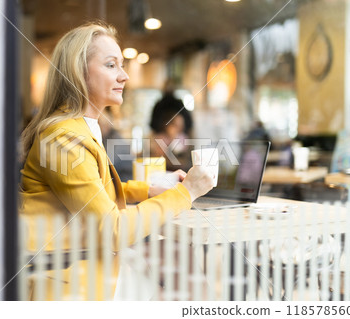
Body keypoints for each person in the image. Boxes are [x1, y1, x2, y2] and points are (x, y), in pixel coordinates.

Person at [18, 21, 215, 300]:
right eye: (111, 65)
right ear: (78, 72)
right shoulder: (63, 138)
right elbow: (113, 230)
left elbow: (90, 192)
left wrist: (148, 189)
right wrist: (188, 192)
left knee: (181, 260)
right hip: (66, 274)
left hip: (77, 257)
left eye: (121, 66)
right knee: (188, 285)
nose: (124, 76)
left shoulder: (77, 128)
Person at [149, 92, 193, 171]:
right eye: (175, 126)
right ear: (167, 126)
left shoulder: (182, 138)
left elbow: (184, 161)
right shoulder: (160, 138)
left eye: (180, 126)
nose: (177, 129)